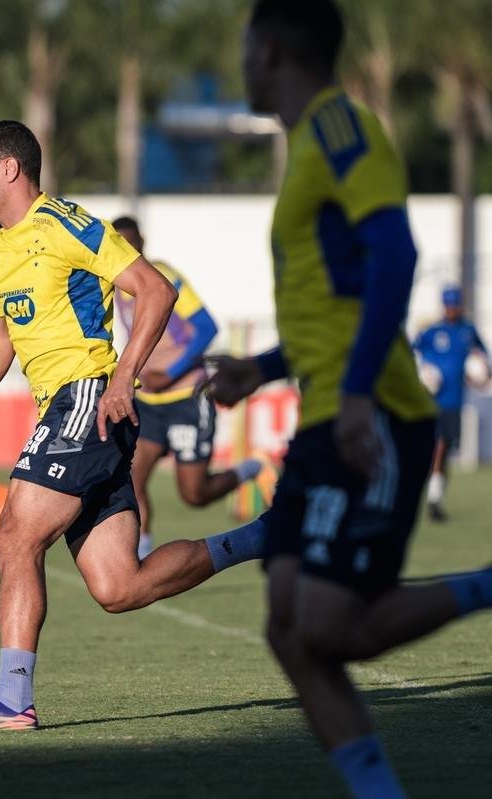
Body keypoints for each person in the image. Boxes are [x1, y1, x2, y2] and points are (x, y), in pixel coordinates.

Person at [208, 2, 492, 796]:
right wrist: (262, 368)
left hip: (376, 416)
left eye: (245, 47)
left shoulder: (341, 130)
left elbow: (394, 256)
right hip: (323, 417)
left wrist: (361, 393)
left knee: (332, 625)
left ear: (270, 50)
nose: (242, 61)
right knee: (289, 628)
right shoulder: (307, 145)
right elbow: (334, 305)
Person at [0, 120, 268, 733]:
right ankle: (262, 537)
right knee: (118, 587)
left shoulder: (68, 224)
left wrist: (122, 377)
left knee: (14, 537)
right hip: (72, 411)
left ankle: (11, 699)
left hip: (85, 398)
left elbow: (155, 292)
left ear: (9, 169)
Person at [111, 216, 266, 557]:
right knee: (131, 479)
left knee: (194, 494)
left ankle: (248, 469)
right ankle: (140, 558)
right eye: (118, 243)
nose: (124, 250)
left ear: (142, 242)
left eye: (130, 242)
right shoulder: (116, 283)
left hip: (186, 399)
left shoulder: (163, 276)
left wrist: (169, 373)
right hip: (148, 403)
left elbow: (206, 327)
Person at [412, 285, 490, 521]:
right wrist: (424, 373)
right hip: (432, 402)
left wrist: (479, 376)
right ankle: (431, 498)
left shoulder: (467, 330)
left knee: (445, 452)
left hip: (455, 402)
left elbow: (482, 359)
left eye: (455, 305)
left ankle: (436, 497)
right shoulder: (433, 332)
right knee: (438, 446)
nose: (452, 309)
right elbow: (411, 353)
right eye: (449, 305)